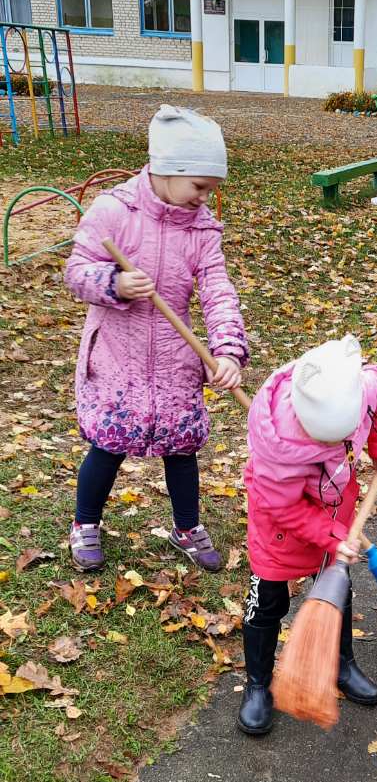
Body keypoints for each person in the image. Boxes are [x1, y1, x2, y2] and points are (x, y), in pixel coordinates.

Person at [65, 103, 248, 574]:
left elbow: (216, 289)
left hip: (174, 356)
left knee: (182, 447)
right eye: (200, 187)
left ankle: (186, 527)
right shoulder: (114, 212)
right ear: (169, 171)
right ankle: (86, 523)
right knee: (108, 443)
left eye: (211, 189)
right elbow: (77, 272)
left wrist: (227, 349)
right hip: (116, 355)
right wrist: (115, 284)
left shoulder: (202, 228)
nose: (205, 198)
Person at [239, 334, 377, 736]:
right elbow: (283, 507)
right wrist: (332, 535)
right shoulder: (276, 446)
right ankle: (259, 685)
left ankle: (339, 664)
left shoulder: (362, 387)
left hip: (336, 511)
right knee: (266, 602)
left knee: (337, 590)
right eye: (325, 441)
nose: (335, 446)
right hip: (279, 530)